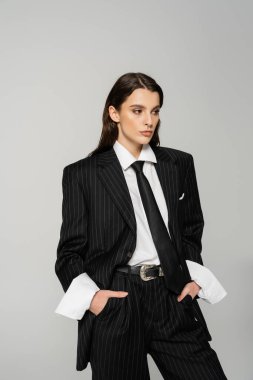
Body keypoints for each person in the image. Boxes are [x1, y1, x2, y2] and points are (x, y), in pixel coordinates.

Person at [54, 72, 228, 379]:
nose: (149, 120)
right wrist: (94, 300)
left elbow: (189, 230)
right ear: (114, 113)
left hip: (172, 296)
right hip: (118, 301)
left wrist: (193, 278)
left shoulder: (178, 164)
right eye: (138, 110)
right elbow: (69, 253)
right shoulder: (84, 174)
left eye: (155, 110)